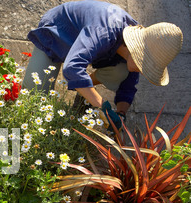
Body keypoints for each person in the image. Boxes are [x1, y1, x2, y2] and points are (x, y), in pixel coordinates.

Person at [23, 0, 183, 130]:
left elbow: (128, 87)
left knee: (121, 72)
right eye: (146, 65)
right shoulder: (104, 32)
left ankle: (84, 95)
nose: (144, 71)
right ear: (138, 53)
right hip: (58, 32)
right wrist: (102, 106)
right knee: (33, 97)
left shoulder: (138, 44)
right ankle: (86, 92)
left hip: (86, 41)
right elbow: (72, 68)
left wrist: (120, 114)